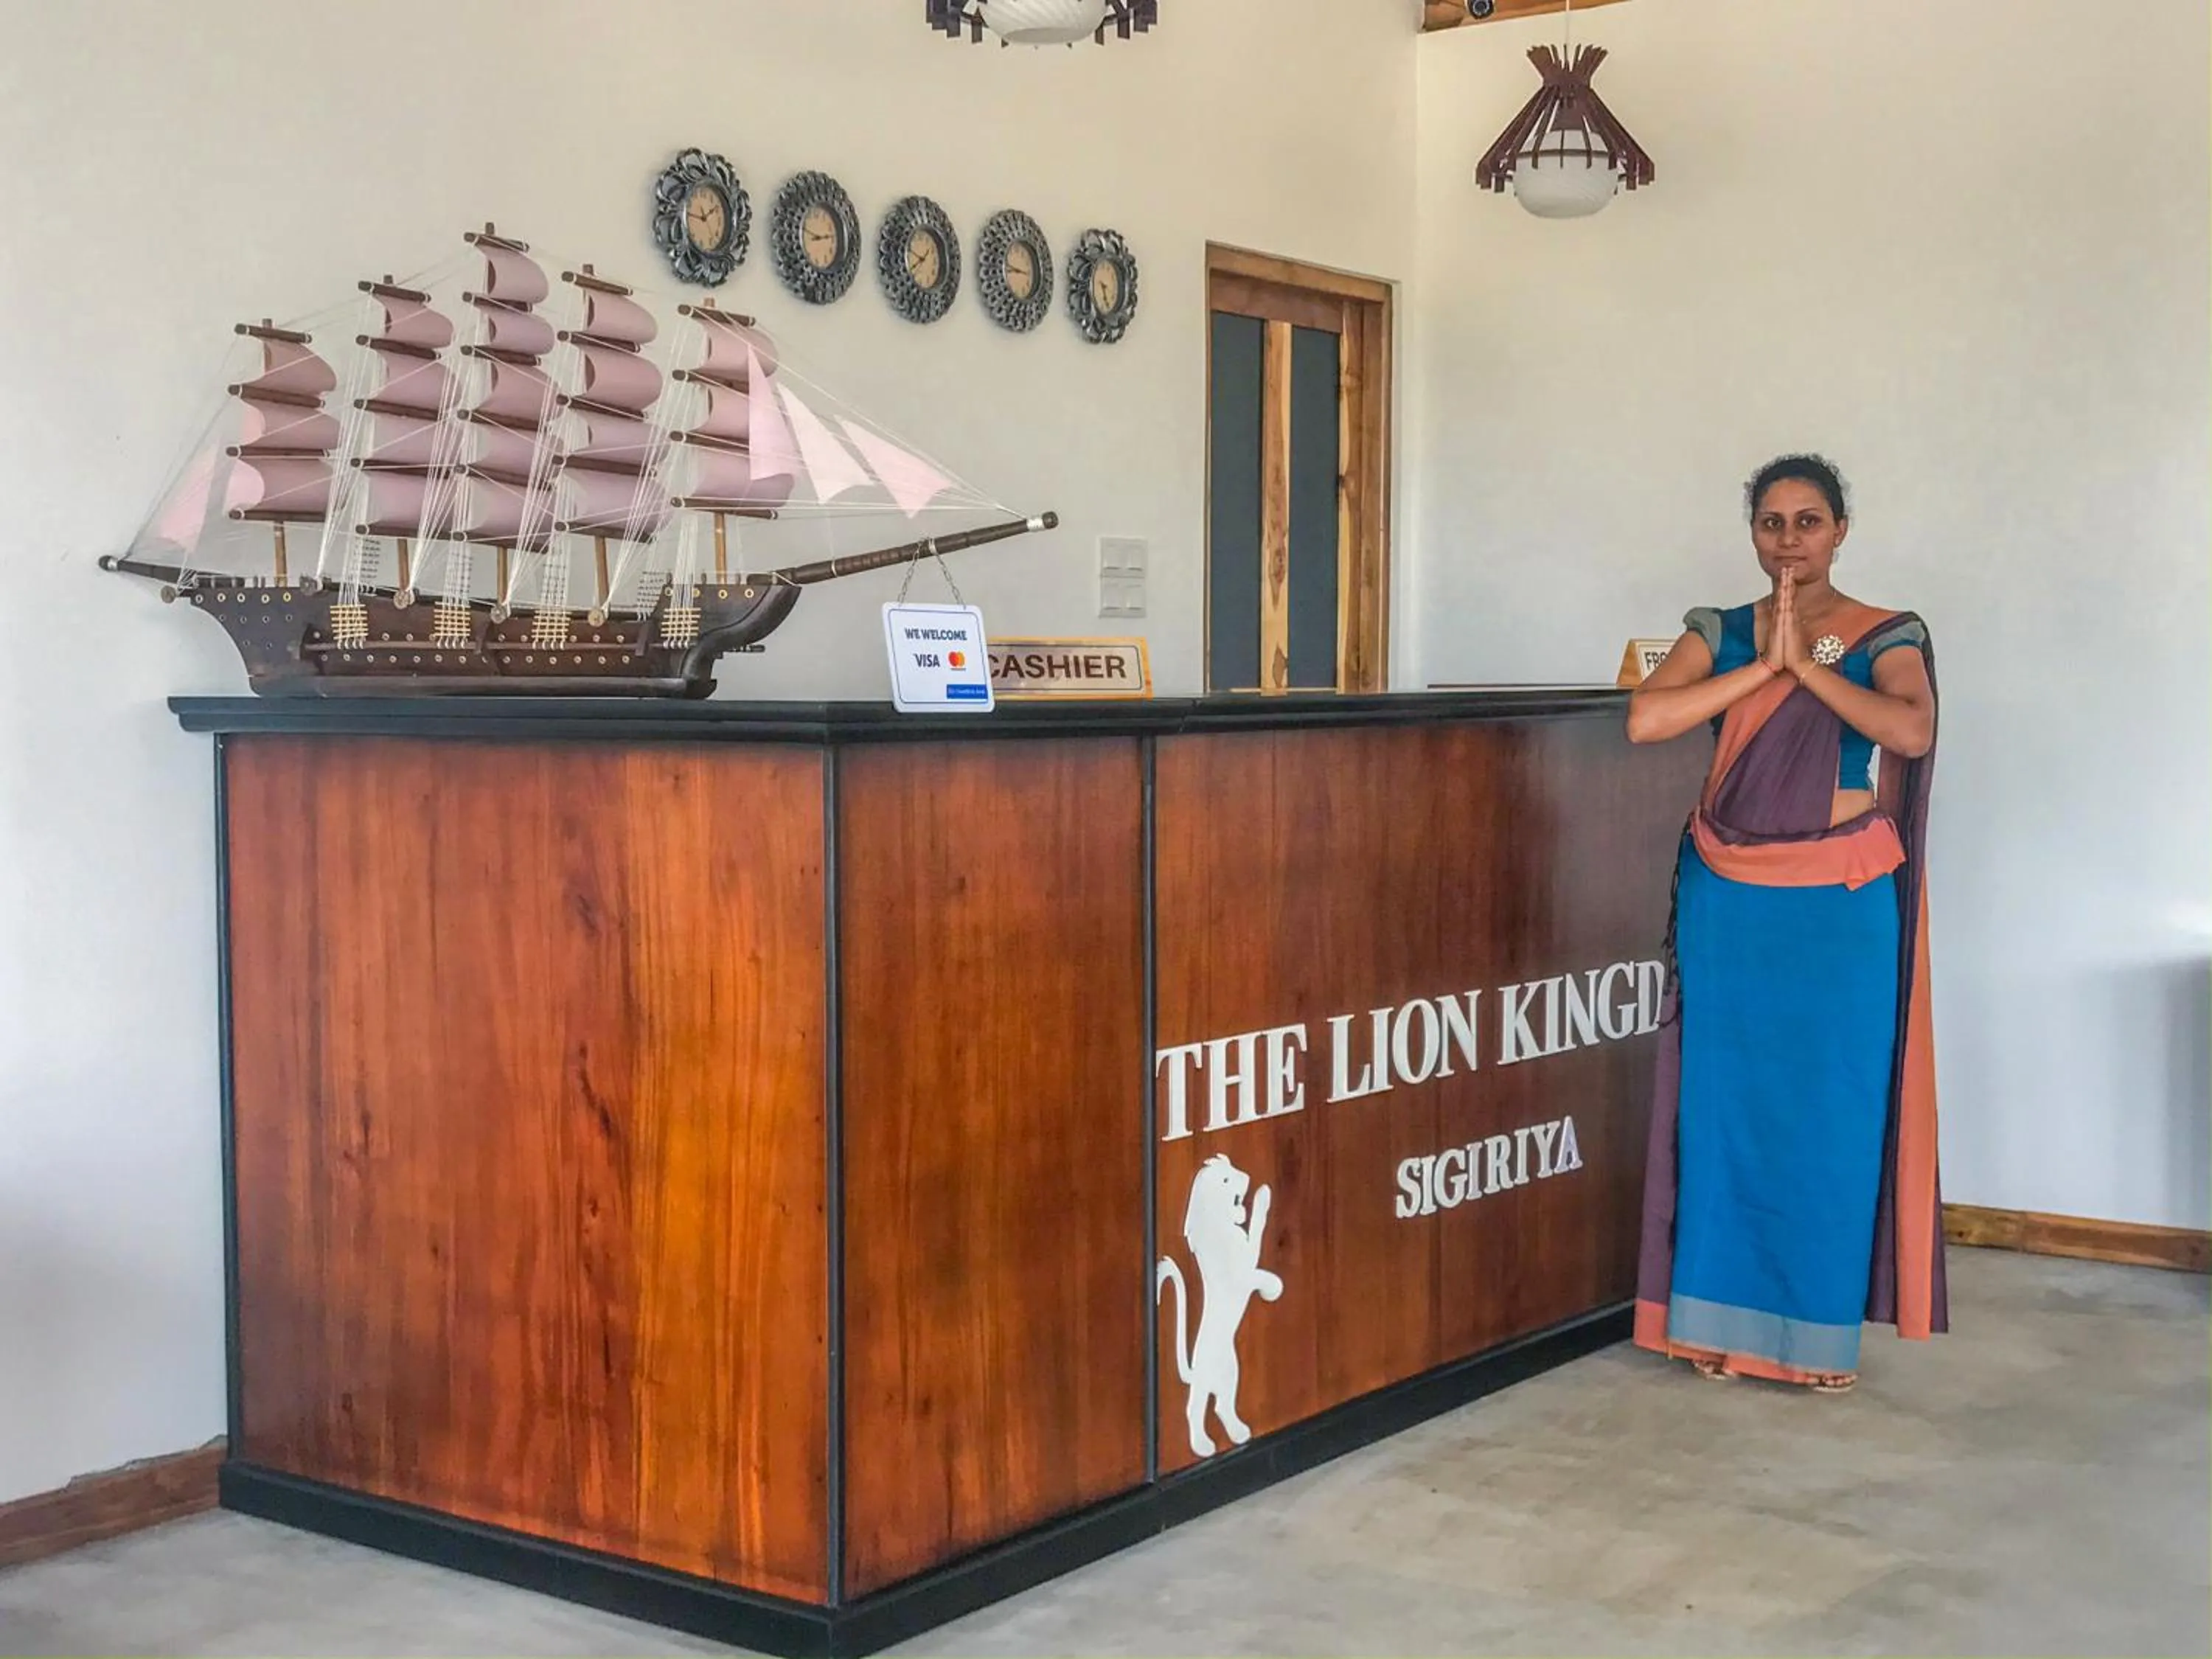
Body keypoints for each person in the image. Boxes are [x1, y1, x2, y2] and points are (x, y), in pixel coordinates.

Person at [1624, 453, 1946, 1392]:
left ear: (1840, 530)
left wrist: (1807, 665)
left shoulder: (1884, 632)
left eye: (1809, 521)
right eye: (1772, 522)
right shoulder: (1719, 629)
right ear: (1754, 534)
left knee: (1828, 1110)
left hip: (1838, 907)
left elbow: (1910, 729)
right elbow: (1647, 720)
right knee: (1724, 1111)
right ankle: (1712, 1325)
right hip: (1731, 899)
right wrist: (1763, 665)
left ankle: (1812, 1338)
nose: (1790, 539)